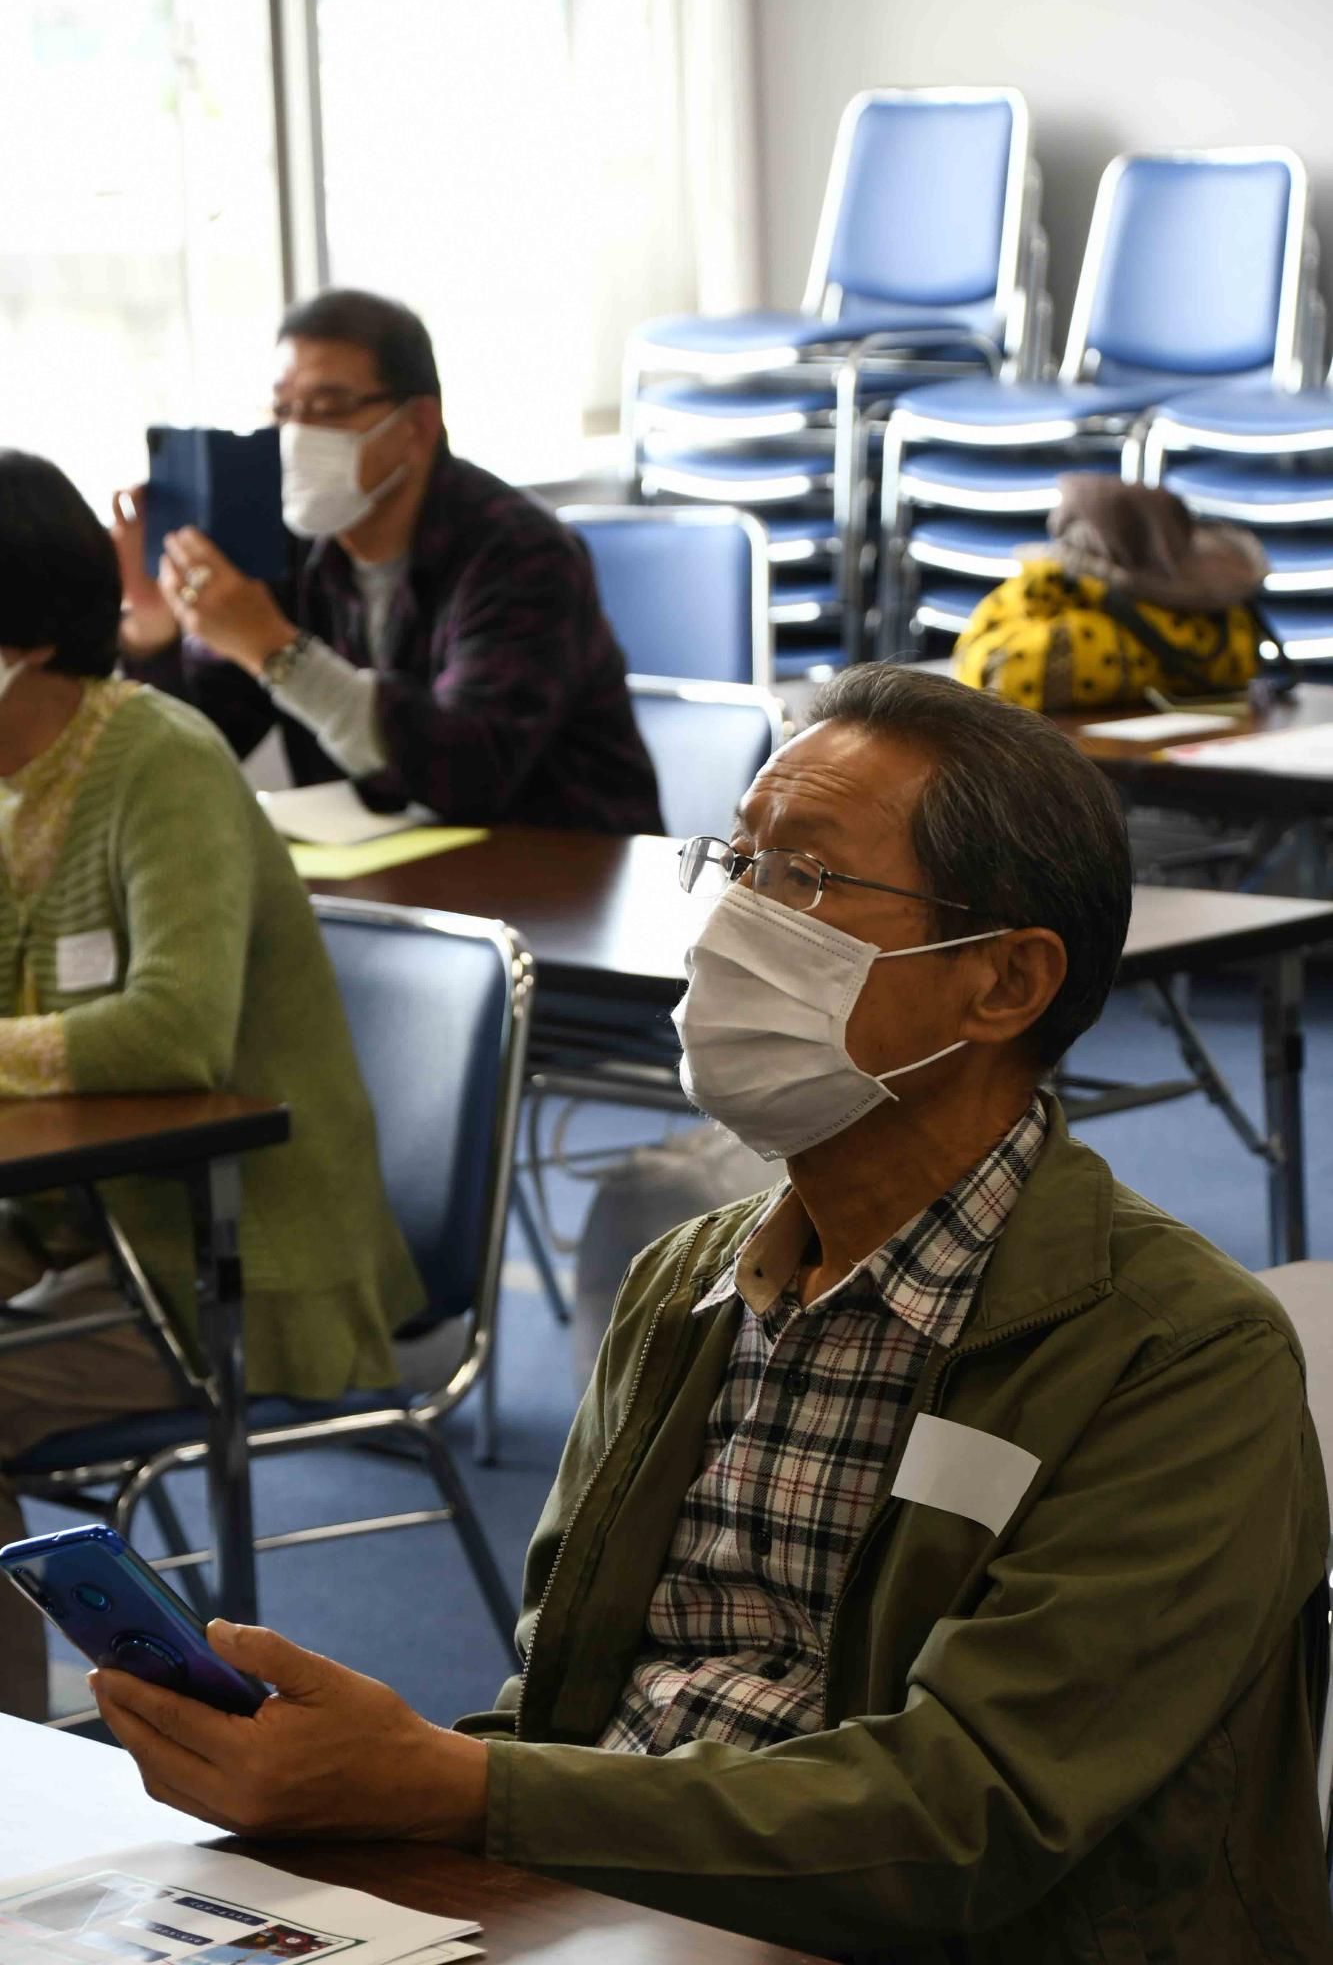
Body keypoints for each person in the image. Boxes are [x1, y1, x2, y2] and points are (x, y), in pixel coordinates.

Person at [94, 667, 1332, 1963]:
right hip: (629, 1916)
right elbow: (570, 1713)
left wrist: (446, 1789)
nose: (732, 919)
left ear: (1004, 984)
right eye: (733, 862)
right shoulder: (684, 1287)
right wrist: (357, 1791)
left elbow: (972, 1818)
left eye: (800, 878)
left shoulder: (1173, 1357)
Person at [0, 451, 425, 1721]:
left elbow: (175, 1032)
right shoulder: (13, 785)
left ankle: (22, 1781)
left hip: (228, 1268)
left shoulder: (159, 760)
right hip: (72, 1241)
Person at [112, 287, 662, 835]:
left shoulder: (520, 552)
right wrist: (152, 632)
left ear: (417, 426)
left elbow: (471, 771)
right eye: (284, 410)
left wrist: (276, 651)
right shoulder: (292, 545)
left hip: (565, 870)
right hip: (396, 878)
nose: (297, 436)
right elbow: (198, 750)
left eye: (327, 409)